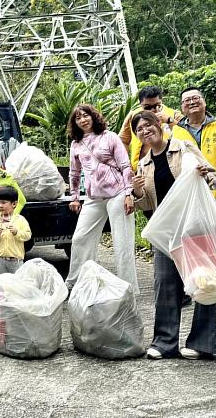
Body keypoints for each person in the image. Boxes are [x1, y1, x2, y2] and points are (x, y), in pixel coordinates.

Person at [131, 111, 216, 360]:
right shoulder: (144, 164)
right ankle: (164, 343)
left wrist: (207, 175)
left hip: (194, 226)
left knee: (203, 281)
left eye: (148, 124)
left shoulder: (184, 148)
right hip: (167, 229)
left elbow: (214, 180)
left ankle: (202, 344)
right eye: (139, 129)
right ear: (137, 135)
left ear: (158, 125)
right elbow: (148, 203)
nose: (145, 130)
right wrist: (137, 193)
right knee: (164, 285)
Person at [66, 104, 139, 292]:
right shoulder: (76, 144)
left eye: (86, 116)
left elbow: (125, 166)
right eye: (78, 118)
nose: (83, 120)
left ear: (93, 116)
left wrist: (129, 194)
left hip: (118, 194)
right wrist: (74, 197)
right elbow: (74, 173)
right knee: (80, 238)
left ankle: (127, 288)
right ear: (75, 123)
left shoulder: (110, 137)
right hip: (93, 198)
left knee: (122, 242)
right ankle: (76, 283)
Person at [177, 87, 216, 242]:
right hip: (190, 200)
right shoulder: (175, 132)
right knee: (199, 246)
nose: (192, 102)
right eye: (187, 100)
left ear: (204, 102)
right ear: (182, 107)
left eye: (195, 98)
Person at [118, 86, 188, 171]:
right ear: (140, 105)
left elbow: (189, 134)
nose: (152, 110)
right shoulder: (133, 116)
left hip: (170, 167)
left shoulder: (173, 114)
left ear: (161, 102)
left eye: (156, 106)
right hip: (140, 170)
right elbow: (122, 141)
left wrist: (170, 120)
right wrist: (126, 166)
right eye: (147, 107)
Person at [0, 186, 31, 275]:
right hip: (0, 259)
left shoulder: (20, 220)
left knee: (16, 284)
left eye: (3, 203)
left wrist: (17, 232)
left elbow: (28, 235)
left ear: (14, 204)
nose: (0, 205)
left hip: (15, 260)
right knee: (2, 284)